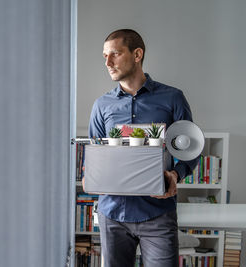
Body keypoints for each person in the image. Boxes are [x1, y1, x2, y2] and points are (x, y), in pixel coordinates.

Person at [86, 29, 198, 267]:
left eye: (115, 54)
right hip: (112, 214)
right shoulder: (101, 105)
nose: (107, 62)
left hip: (158, 214)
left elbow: (191, 148)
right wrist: (91, 176)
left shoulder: (173, 98)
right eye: (105, 56)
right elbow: (96, 154)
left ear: (137, 54)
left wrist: (176, 175)